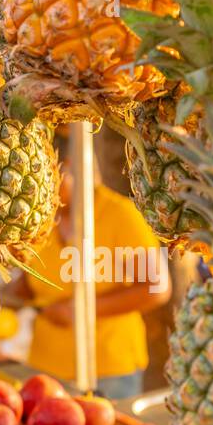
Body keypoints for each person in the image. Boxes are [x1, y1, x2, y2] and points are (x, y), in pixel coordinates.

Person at [12, 160, 172, 401]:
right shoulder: (38, 217)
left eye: (51, 177)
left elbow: (157, 288)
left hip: (108, 369)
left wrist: (81, 310)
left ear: (75, 170)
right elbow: (31, 281)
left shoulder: (121, 213)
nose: (42, 188)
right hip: (45, 366)